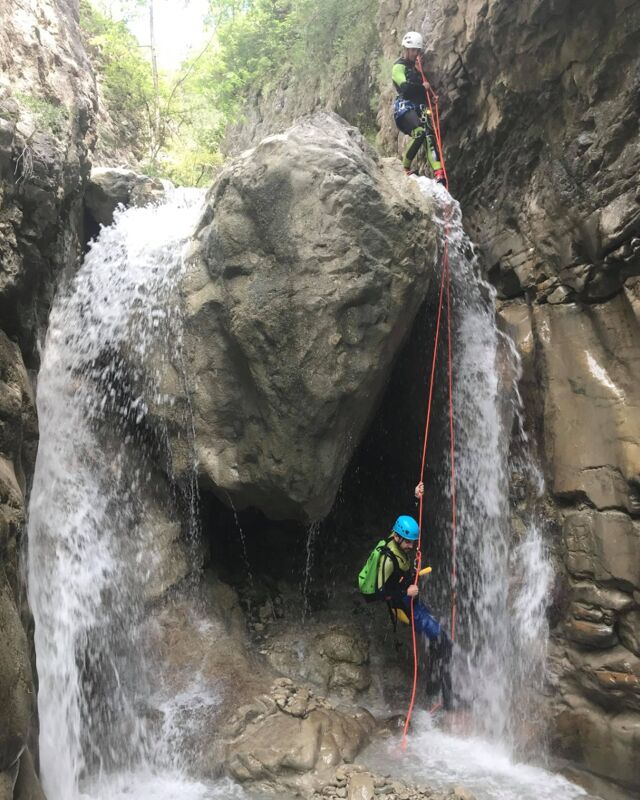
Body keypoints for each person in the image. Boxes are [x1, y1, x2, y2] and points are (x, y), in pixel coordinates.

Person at [358, 485, 453, 708]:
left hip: (411, 601)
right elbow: (375, 595)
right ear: (398, 538)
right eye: (408, 542)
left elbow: (406, 521)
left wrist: (415, 498)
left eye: (412, 542)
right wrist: (405, 591)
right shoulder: (388, 559)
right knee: (445, 642)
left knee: (439, 639)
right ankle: (448, 699)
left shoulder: (395, 539)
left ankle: (433, 683)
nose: (411, 546)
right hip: (405, 606)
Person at [392, 31, 446, 182]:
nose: (415, 53)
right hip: (404, 108)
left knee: (429, 135)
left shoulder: (417, 70)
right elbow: (404, 87)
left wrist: (431, 100)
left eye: (417, 50)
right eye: (413, 50)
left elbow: (422, 92)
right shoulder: (398, 67)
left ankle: (438, 172)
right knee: (420, 132)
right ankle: (405, 168)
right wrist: (423, 88)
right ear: (406, 49)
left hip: (419, 107)